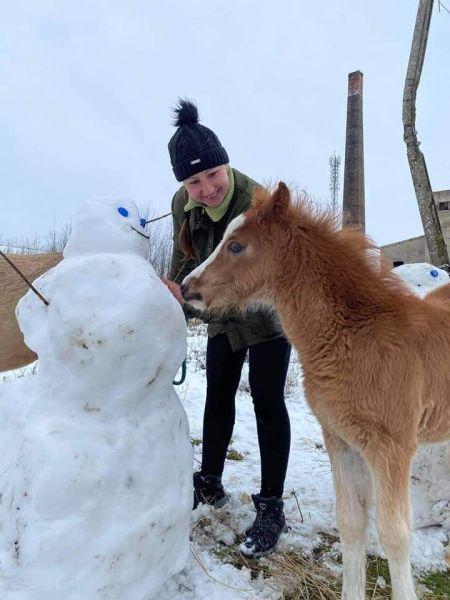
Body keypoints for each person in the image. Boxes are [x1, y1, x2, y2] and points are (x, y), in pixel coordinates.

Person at [165, 99, 291, 558]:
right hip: (220, 315)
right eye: (193, 181)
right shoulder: (183, 204)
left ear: (226, 164)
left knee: (267, 398)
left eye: (213, 174)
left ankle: (272, 503)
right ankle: (210, 479)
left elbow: (271, 270)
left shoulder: (257, 204)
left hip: (264, 317)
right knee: (217, 394)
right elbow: (185, 258)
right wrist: (178, 298)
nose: (206, 188)